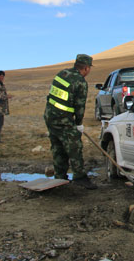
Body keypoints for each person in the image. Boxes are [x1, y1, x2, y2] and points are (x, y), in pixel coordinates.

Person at [44, 54, 97, 190]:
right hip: (63, 120)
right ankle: (79, 177)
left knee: (58, 147)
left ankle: (60, 176)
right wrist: (79, 123)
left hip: (50, 116)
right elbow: (80, 105)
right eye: (89, 68)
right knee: (74, 147)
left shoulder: (62, 73)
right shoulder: (80, 82)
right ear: (86, 68)